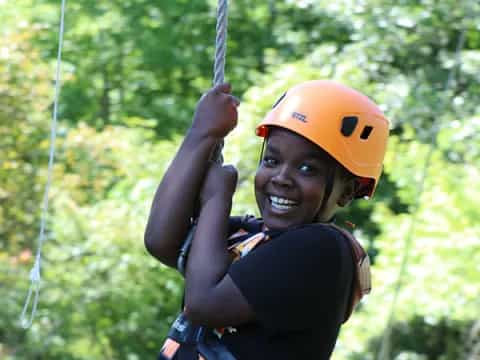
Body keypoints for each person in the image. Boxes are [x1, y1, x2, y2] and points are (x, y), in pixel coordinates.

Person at [144, 80, 390, 359]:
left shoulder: (322, 250)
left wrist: (216, 198)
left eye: (307, 168)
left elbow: (203, 303)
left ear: (347, 191)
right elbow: (162, 241)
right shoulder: (251, 236)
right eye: (272, 161)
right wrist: (201, 135)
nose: (282, 178)